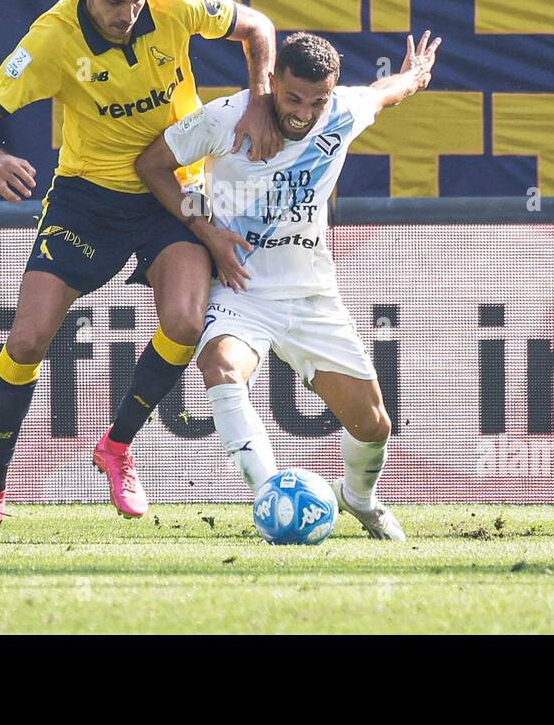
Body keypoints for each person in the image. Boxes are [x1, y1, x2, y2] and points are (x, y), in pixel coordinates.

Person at [0, 0, 279, 542]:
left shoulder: (172, 1)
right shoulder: (51, 39)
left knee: (185, 324)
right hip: (88, 199)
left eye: (135, 3)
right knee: (26, 341)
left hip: (172, 192)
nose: (128, 15)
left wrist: (259, 99)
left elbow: (258, 28)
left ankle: (117, 446)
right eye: (113, 3)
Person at [135, 30, 442, 541]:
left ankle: (358, 498)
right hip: (240, 289)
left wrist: (412, 77)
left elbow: (385, 93)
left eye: (316, 101)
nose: (302, 112)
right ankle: (269, 495)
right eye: (293, 97)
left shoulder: (344, 112)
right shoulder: (226, 118)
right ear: (272, 82)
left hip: (310, 294)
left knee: (374, 427)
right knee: (221, 367)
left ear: (333, 91)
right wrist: (206, 231)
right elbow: (152, 166)